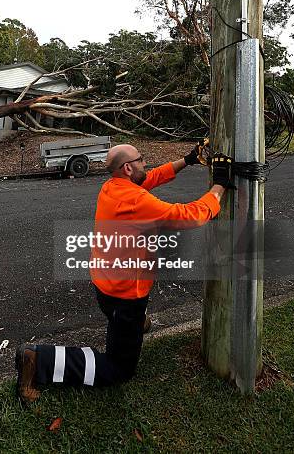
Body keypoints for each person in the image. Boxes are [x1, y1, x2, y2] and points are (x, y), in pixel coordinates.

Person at [15, 142, 232, 403]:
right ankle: (39, 359)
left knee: (125, 324)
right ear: (128, 167)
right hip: (126, 294)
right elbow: (190, 215)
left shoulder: (112, 187)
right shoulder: (136, 201)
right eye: (141, 160)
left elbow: (150, 177)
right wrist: (220, 184)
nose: (145, 163)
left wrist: (187, 160)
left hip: (104, 283)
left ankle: (136, 324)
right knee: (119, 369)